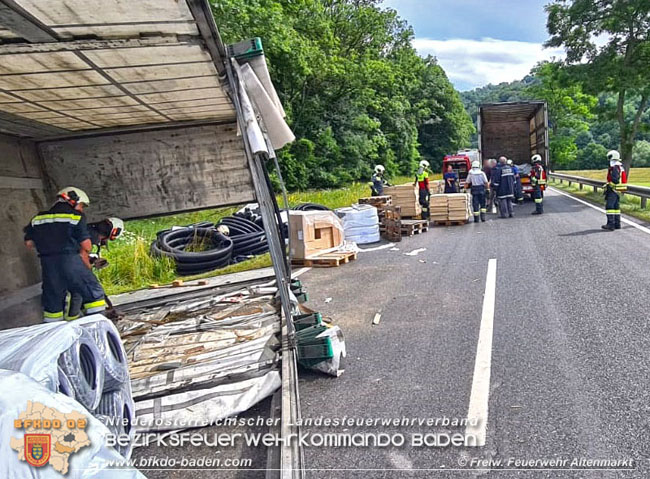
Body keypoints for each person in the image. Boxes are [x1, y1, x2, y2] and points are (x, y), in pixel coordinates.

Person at [24, 187, 107, 322]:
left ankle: (56, 336)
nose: (81, 209)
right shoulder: (75, 217)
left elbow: (29, 244)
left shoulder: (37, 219)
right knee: (93, 293)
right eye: (82, 205)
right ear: (73, 201)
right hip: (70, 261)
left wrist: (48, 242)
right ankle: (98, 331)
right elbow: (86, 245)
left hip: (48, 265)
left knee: (52, 304)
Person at [66, 217, 124, 320]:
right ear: (113, 232)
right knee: (89, 292)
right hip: (73, 268)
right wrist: (88, 270)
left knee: (77, 292)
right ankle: (89, 318)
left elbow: (79, 251)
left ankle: (76, 317)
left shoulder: (88, 231)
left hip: (63, 265)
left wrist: (93, 260)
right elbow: (82, 254)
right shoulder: (93, 237)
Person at [602, 150, 627, 231]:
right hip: (618, 190)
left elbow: (615, 179)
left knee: (610, 207)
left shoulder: (615, 167)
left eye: (609, 158)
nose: (608, 160)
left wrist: (609, 186)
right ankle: (617, 224)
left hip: (613, 190)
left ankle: (610, 224)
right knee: (616, 207)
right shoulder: (620, 166)